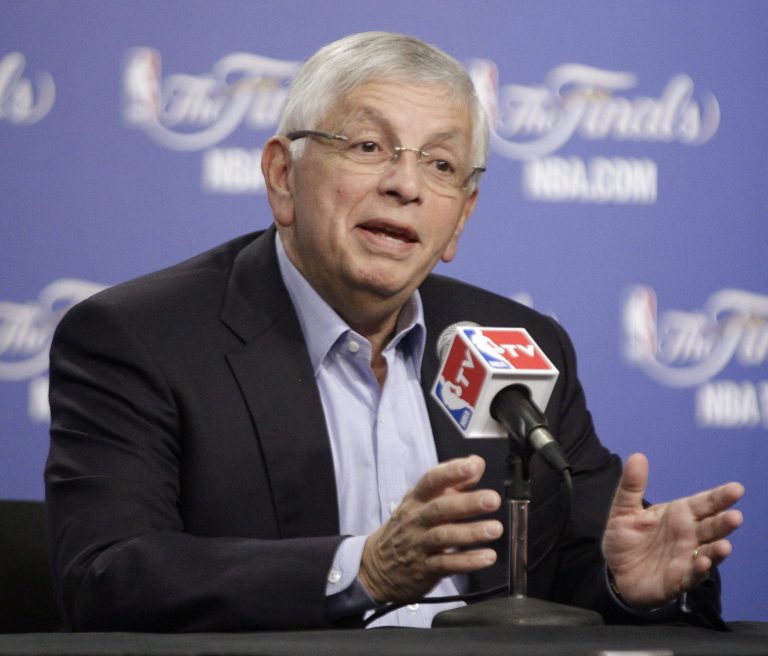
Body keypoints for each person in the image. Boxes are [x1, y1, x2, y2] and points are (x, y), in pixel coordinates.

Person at [45, 31, 744, 632]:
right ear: (283, 177)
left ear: (460, 219)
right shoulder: (140, 338)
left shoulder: (522, 344)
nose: (406, 185)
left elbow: (575, 572)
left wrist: (629, 582)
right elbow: (106, 575)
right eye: (370, 145)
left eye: (440, 165)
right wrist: (364, 570)